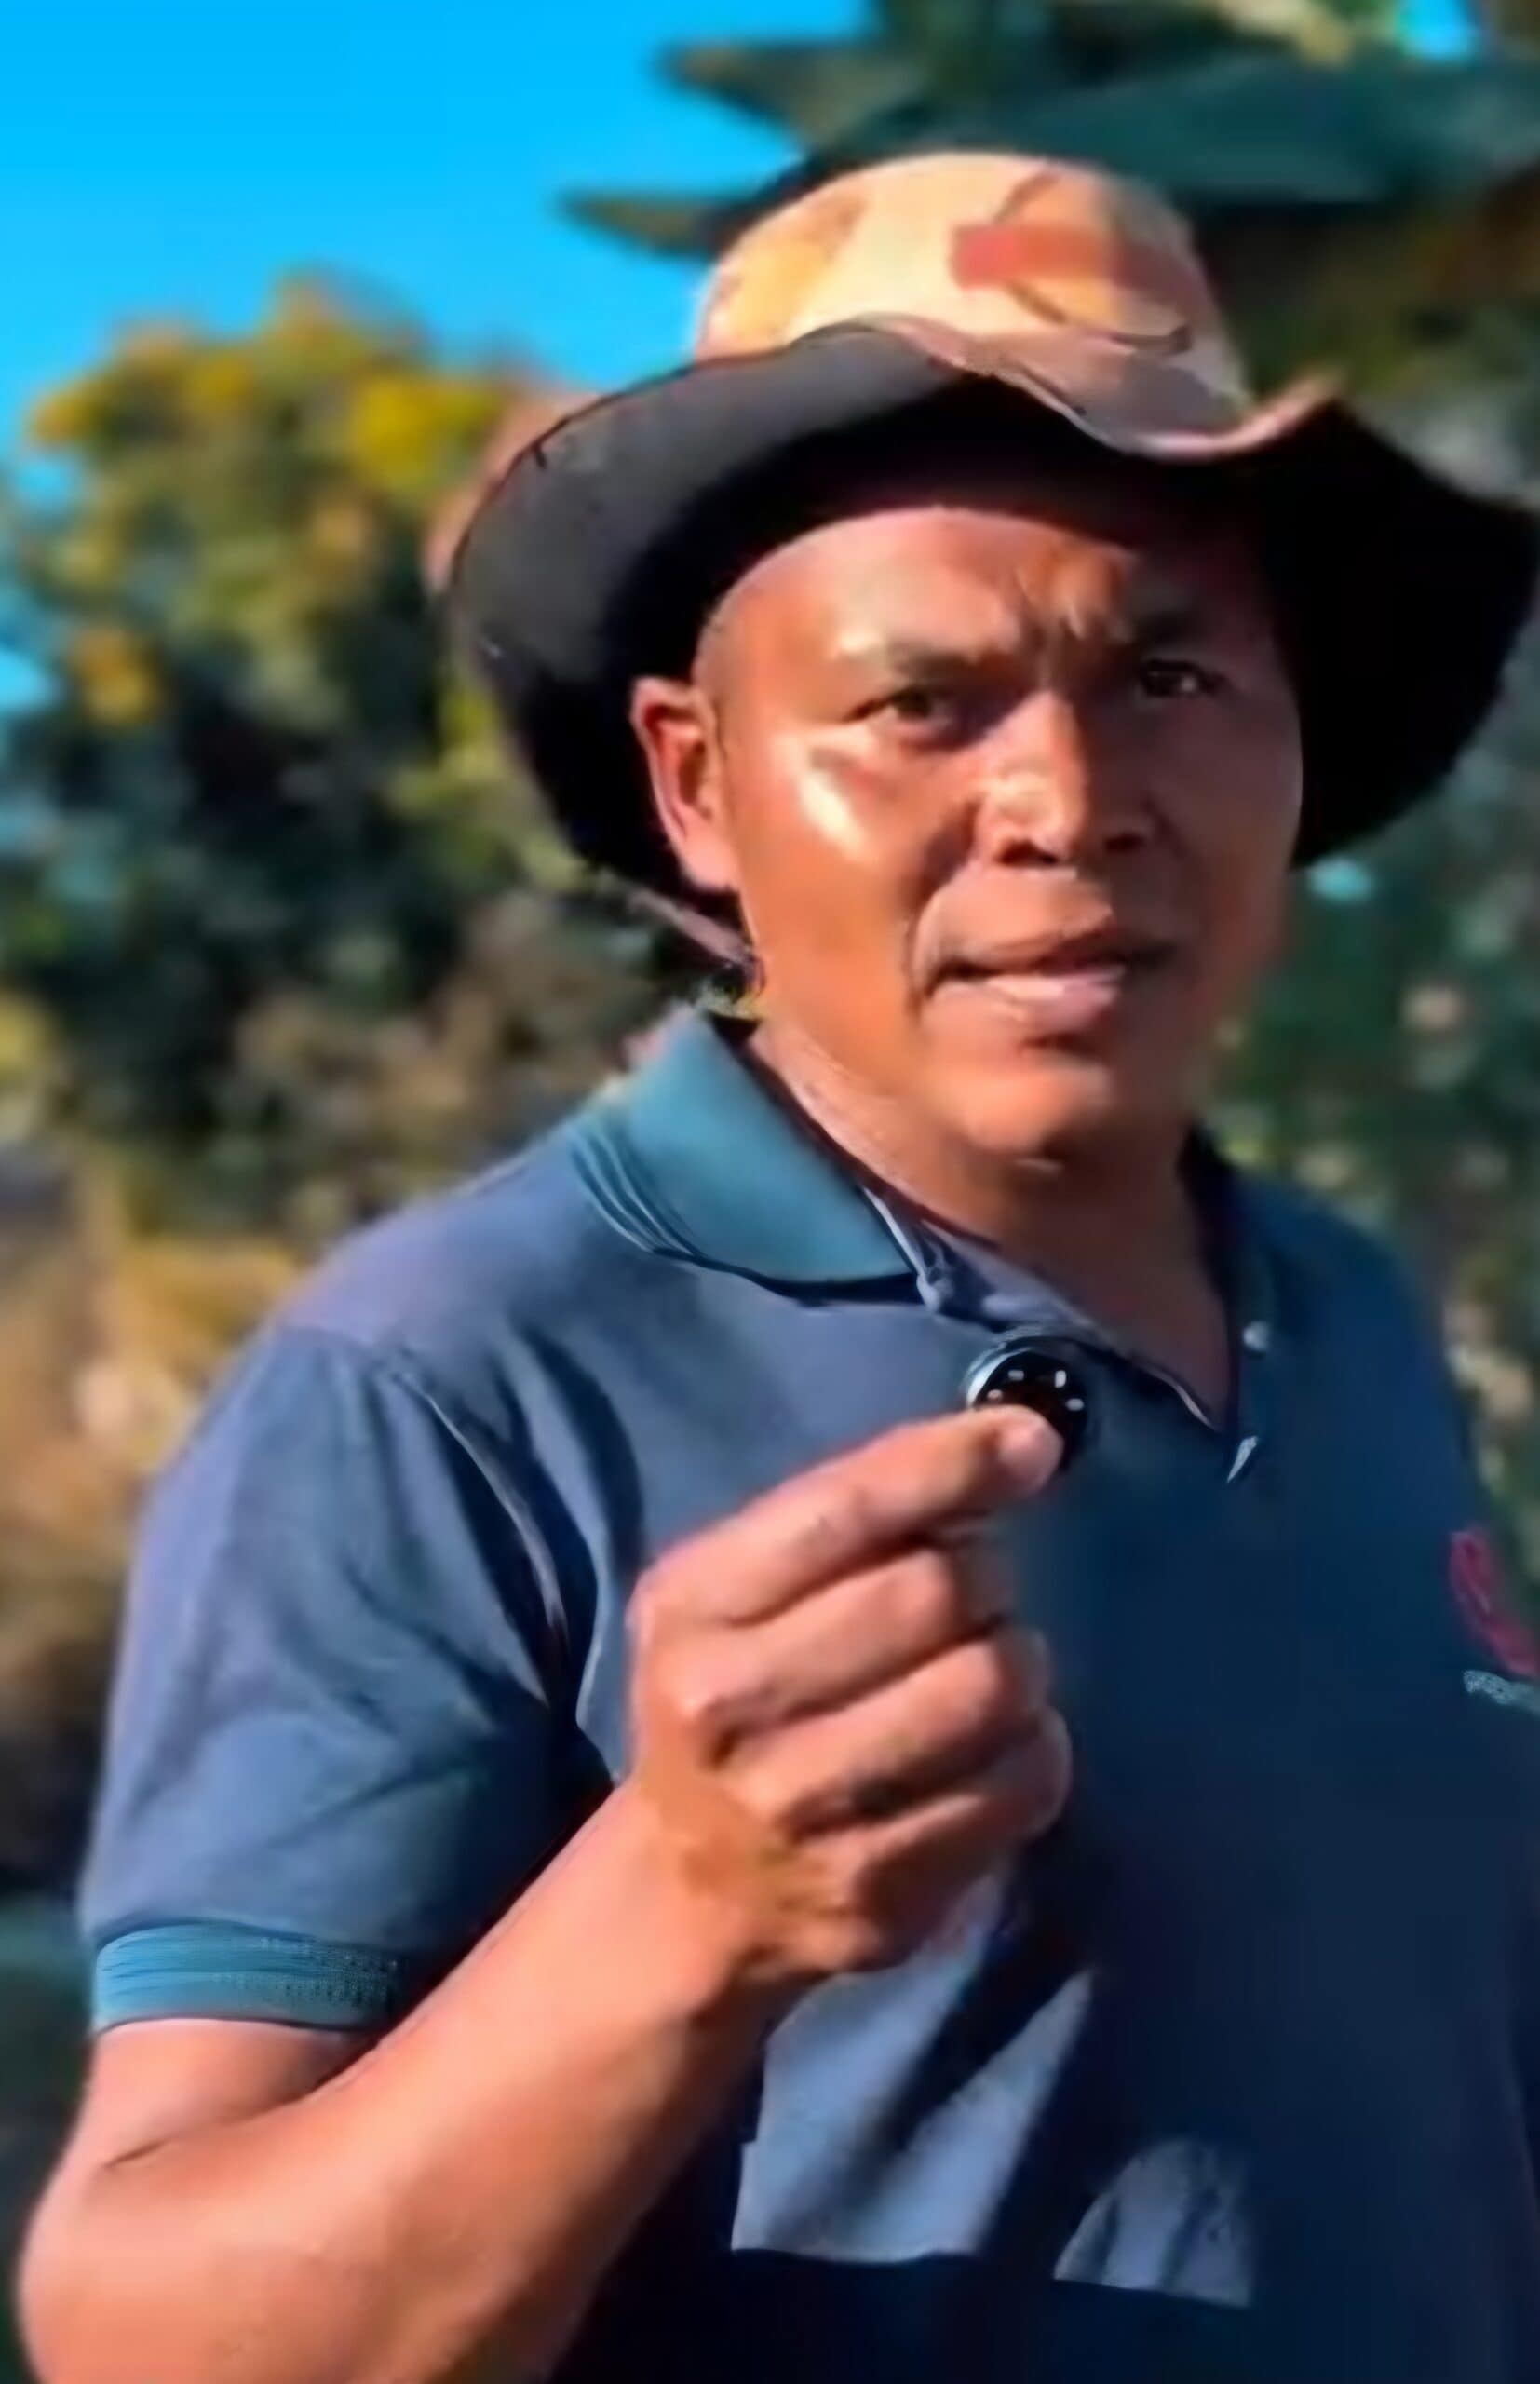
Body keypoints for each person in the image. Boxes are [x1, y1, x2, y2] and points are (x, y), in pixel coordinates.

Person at [20, 153, 1540, 2384]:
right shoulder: (447, 1379)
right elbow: (153, 2337)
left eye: (1166, 670)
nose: (1066, 799)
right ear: (698, 786)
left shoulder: (1339, 1310)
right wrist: (683, 1904)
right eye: (920, 702)